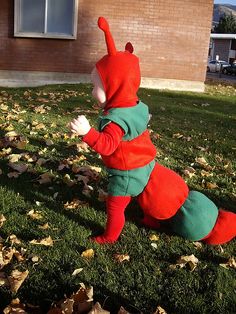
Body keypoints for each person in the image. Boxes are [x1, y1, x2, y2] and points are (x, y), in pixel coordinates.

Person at [69, 17, 236, 245]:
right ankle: (151, 217)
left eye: (95, 86)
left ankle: (109, 236)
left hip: (126, 171)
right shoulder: (134, 105)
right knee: (148, 192)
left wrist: (86, 131)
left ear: (114, 87)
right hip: (146, 164)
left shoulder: (115, 120)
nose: (91, 92)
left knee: (115, 204)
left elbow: (107, 144)